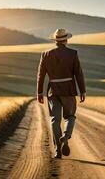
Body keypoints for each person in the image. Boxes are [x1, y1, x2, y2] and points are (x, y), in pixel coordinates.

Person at [37, 28, 86, 159]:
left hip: (53, 91)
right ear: (66, 40)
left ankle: (58, 151)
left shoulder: (45, 54)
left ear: (55, 41)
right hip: (68, 90)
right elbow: (78, 74)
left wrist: (39, 93)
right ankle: (66, 136)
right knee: (70, 116)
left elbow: (41, 75)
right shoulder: (73, 53)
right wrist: (82, 91)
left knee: (55, 119)